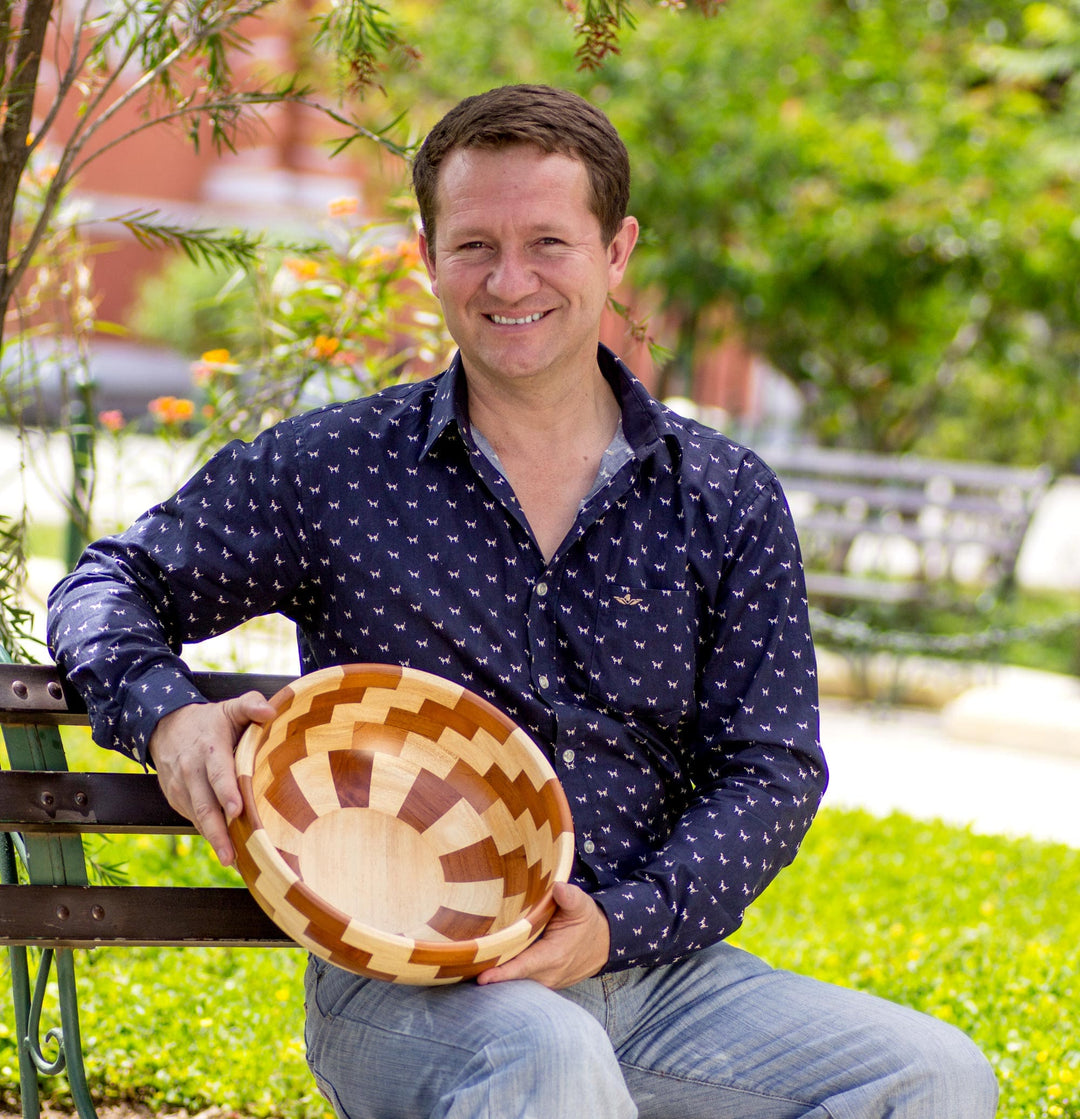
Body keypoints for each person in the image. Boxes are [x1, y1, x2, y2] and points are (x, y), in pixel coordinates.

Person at [48, 84, 998, 1118]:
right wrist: (170, 714)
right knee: (547, 1055)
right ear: (427, 256)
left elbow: (770, 766)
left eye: (549, 241)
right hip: (408, 985)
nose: (510, 281)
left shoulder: (721, 496)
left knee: (935, 1077)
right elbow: (108, 583)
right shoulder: (336, 470)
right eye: (473, 246)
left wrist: (621, 922)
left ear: (616, 251)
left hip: (660, 981)